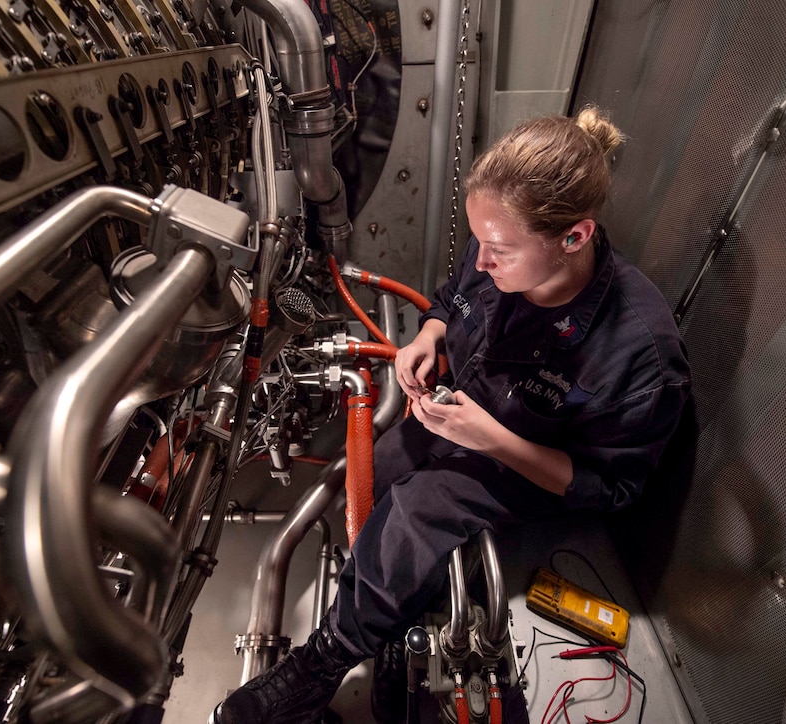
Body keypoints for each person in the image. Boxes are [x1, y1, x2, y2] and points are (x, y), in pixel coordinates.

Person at [213, 107, 692, 723]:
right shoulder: (499, 244)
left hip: (523, 464)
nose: (483, 262)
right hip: (458, 415)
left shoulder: (640, 354)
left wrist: (493, 441)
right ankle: (397, 614)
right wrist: (430, 336)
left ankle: (322, 665)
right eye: (479, 243)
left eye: (499, 250)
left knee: (419, 512)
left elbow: (612, 487)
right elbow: (452, 296)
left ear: (575, 237)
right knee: (374, 474)